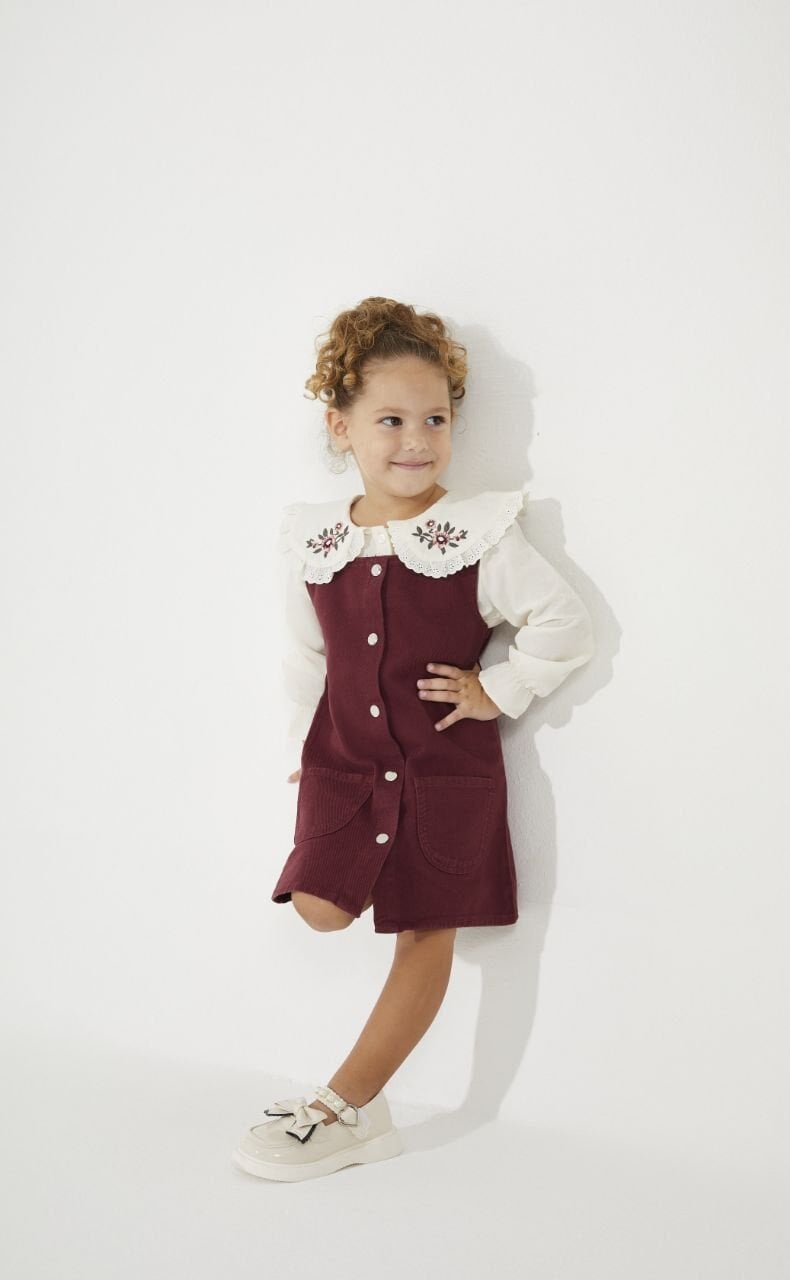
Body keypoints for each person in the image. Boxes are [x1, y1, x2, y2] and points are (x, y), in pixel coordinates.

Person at [232, 296, 595, 1182]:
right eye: (390, 420)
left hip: (443, 775)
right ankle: (353, 1104)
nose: (416, 440)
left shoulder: (476, 532)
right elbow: (306, 657)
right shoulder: (314, 538)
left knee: (424, 937)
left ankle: (349, 1107)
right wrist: (304, 748)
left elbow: (563, 622)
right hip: (346, 772)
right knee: (319, 907)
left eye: (434, 419)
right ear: (341, 426)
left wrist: (495, 689)